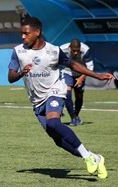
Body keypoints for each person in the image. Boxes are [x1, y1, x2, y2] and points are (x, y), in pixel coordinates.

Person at [8, 17, 112, 179]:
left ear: (37, 32)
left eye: (26, 33)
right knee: (57, 139)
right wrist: (21, 73)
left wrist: (96, 76)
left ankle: (88, 157)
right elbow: (11, 76)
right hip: (37, 100)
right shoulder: (18, 51)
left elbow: (73, 65)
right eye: (21, 33)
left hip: (56, 89)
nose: (23, 37)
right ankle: (94, 157)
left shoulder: (53, 51)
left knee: (53, 122)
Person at [60, 39, 94, 126]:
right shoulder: (62, 49)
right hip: (67, 72)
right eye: (73, 50)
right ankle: (73, 118)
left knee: (79, 95)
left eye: (77, 51)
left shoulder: (86, 50)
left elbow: (90, 68)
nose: (75, 53)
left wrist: (81, 78)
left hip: (81, 73)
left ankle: (76, 116)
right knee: (67, 94)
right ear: (69, 47)